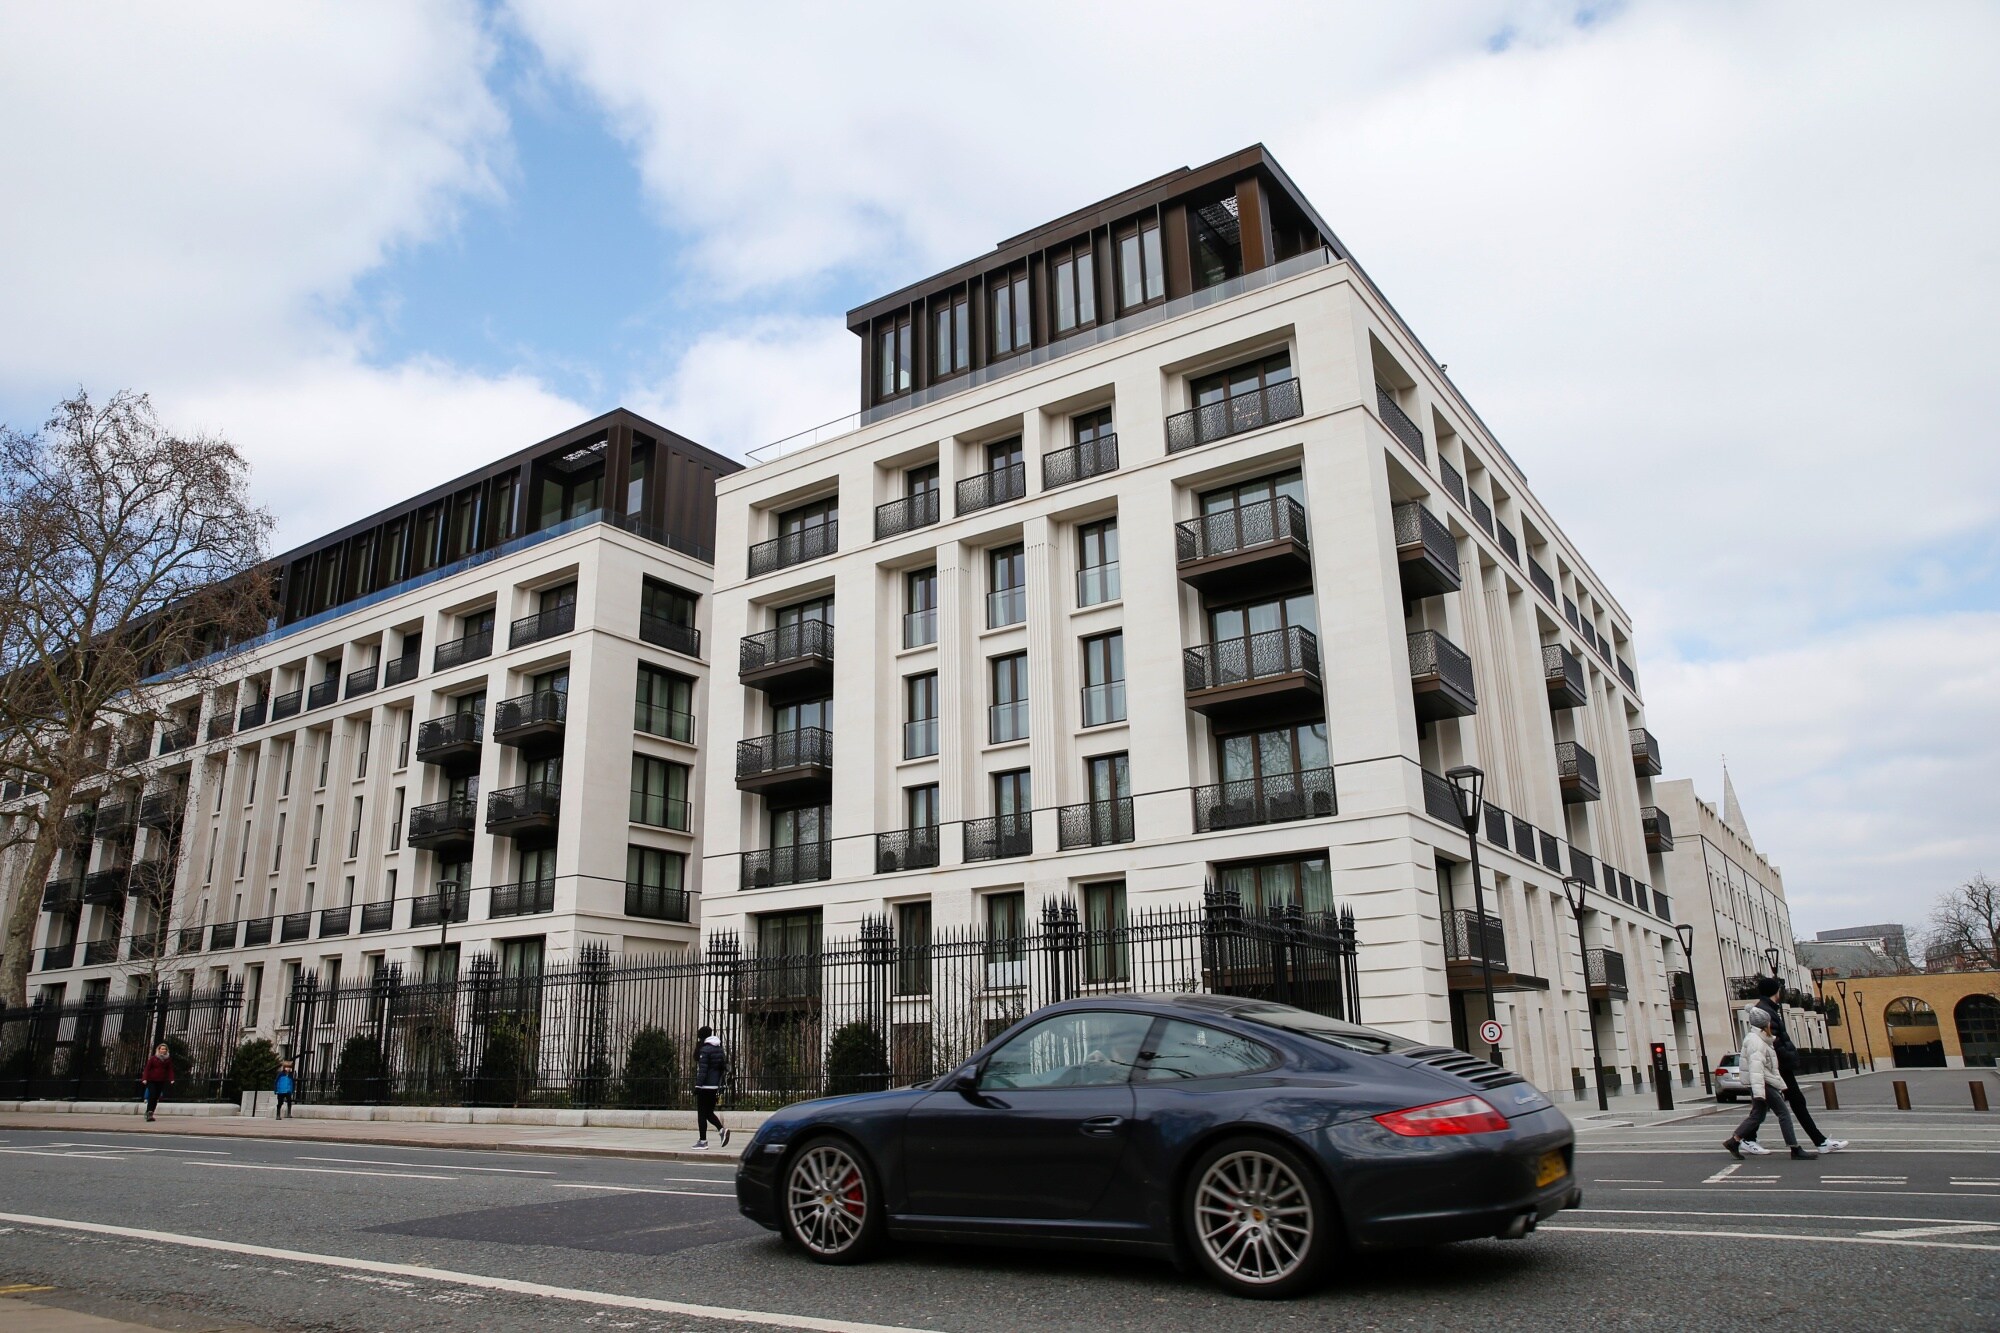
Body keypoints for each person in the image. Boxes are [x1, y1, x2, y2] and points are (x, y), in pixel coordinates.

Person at [1755, 976, 1848, 1153]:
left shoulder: (1767, 1009)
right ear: (1776, 991)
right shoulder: (1766, 1012)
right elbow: (1773, 1040)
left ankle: (1741, 1138)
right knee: (1796, 1102)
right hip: (1778, 1066)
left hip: (1775, 1066)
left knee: (1764, 1105)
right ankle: (1819, 1142)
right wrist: (1788, 1056)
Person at [1724, 1008, 1817, 1160]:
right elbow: (1756, 1068)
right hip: (1764, 1083)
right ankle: (1794, 1148)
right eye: (1768, 1021)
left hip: (1762, 1082)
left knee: (1757, 1115)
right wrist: (1759, 1092)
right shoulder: (1756, 1041)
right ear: (1764, 1024)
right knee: (1783, 1114)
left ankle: (1734, 1141)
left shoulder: (1758, 1039)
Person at [692, 1026, 729, 1151]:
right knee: (708, 1112)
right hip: (715, 1086)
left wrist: (697, 1086)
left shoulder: (705, 1050)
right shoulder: (719, 1048)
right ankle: (722, 1130)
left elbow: (703, 1070)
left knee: (701, 1114)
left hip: (705, 1086)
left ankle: (703, 1141)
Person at [141, 1042, 174, 1123]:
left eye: (165, 1049)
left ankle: (151, 1112)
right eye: (162, 1049)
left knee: (156, 1097)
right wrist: (144, 1078)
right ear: (159, 1050)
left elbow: (170, 1070)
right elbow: (147, 1069)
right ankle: (149, 1112)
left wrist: (171, 1079)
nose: (163, 1050)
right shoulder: (153, 1058)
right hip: (151, 1080)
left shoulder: (167, 1060)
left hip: (161, 1080)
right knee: (152, 1095)